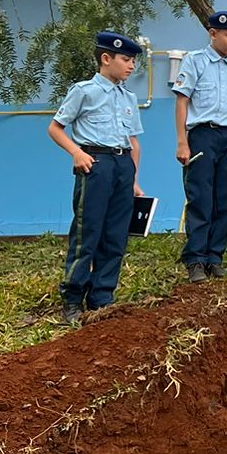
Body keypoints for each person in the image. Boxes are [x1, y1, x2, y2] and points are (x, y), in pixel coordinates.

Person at [48, 31, 146, 324]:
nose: (131, 66)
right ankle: (73, 297)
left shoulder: (128, 97)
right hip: (96, 163)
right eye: (126, 60)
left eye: (133, 61)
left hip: (122, 164)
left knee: (115, 234)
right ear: (107, 58)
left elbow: (135, 142)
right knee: (87, 231)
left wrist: (133, 179)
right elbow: (55, 128)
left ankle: (102, 296)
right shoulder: (84, 91)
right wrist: (77, 153)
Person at [174, 9, 227, 283]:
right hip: (203, 136)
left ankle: (215, 256)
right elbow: (182, 102)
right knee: (201, 198)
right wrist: (182, 142)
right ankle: (195, 258)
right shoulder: (195, 62)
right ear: (213, 33)